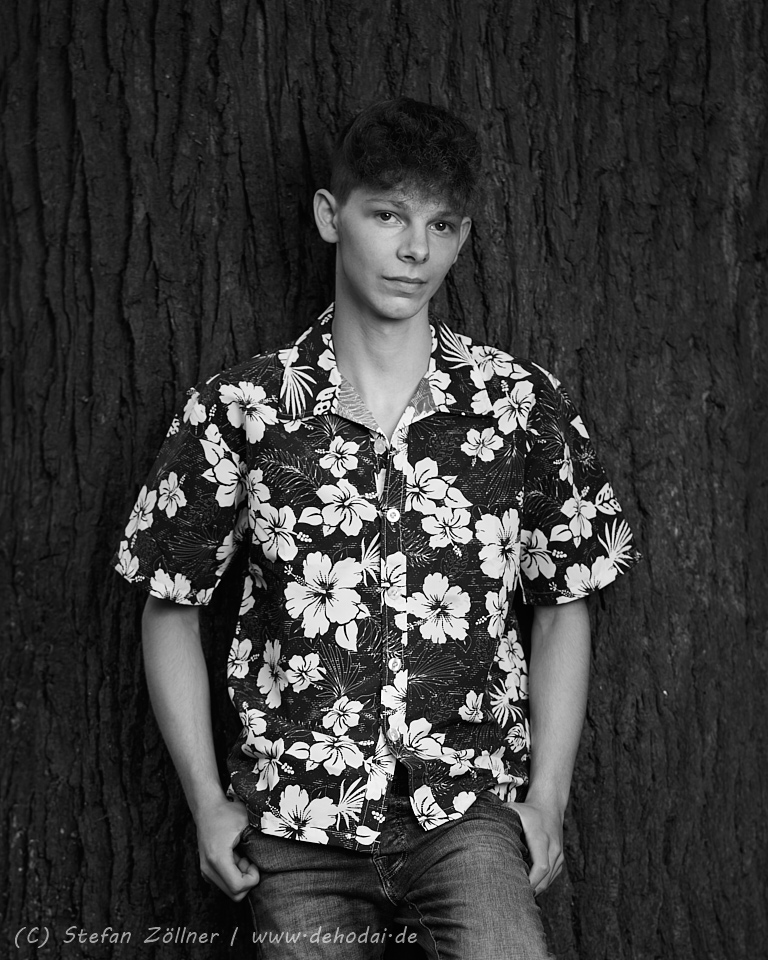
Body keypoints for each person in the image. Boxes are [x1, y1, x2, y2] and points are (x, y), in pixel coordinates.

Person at [114, 97, 640, 959]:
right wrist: (207, 800)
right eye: (389, 215)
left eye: (441, 224)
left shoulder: (519, 405)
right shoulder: (243, 409)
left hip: (466, 812)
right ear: (332, 216)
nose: (415, 249)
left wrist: (546, 799)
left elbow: (564, 601)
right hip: (296, 823)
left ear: (463, 238)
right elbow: (168, 604)